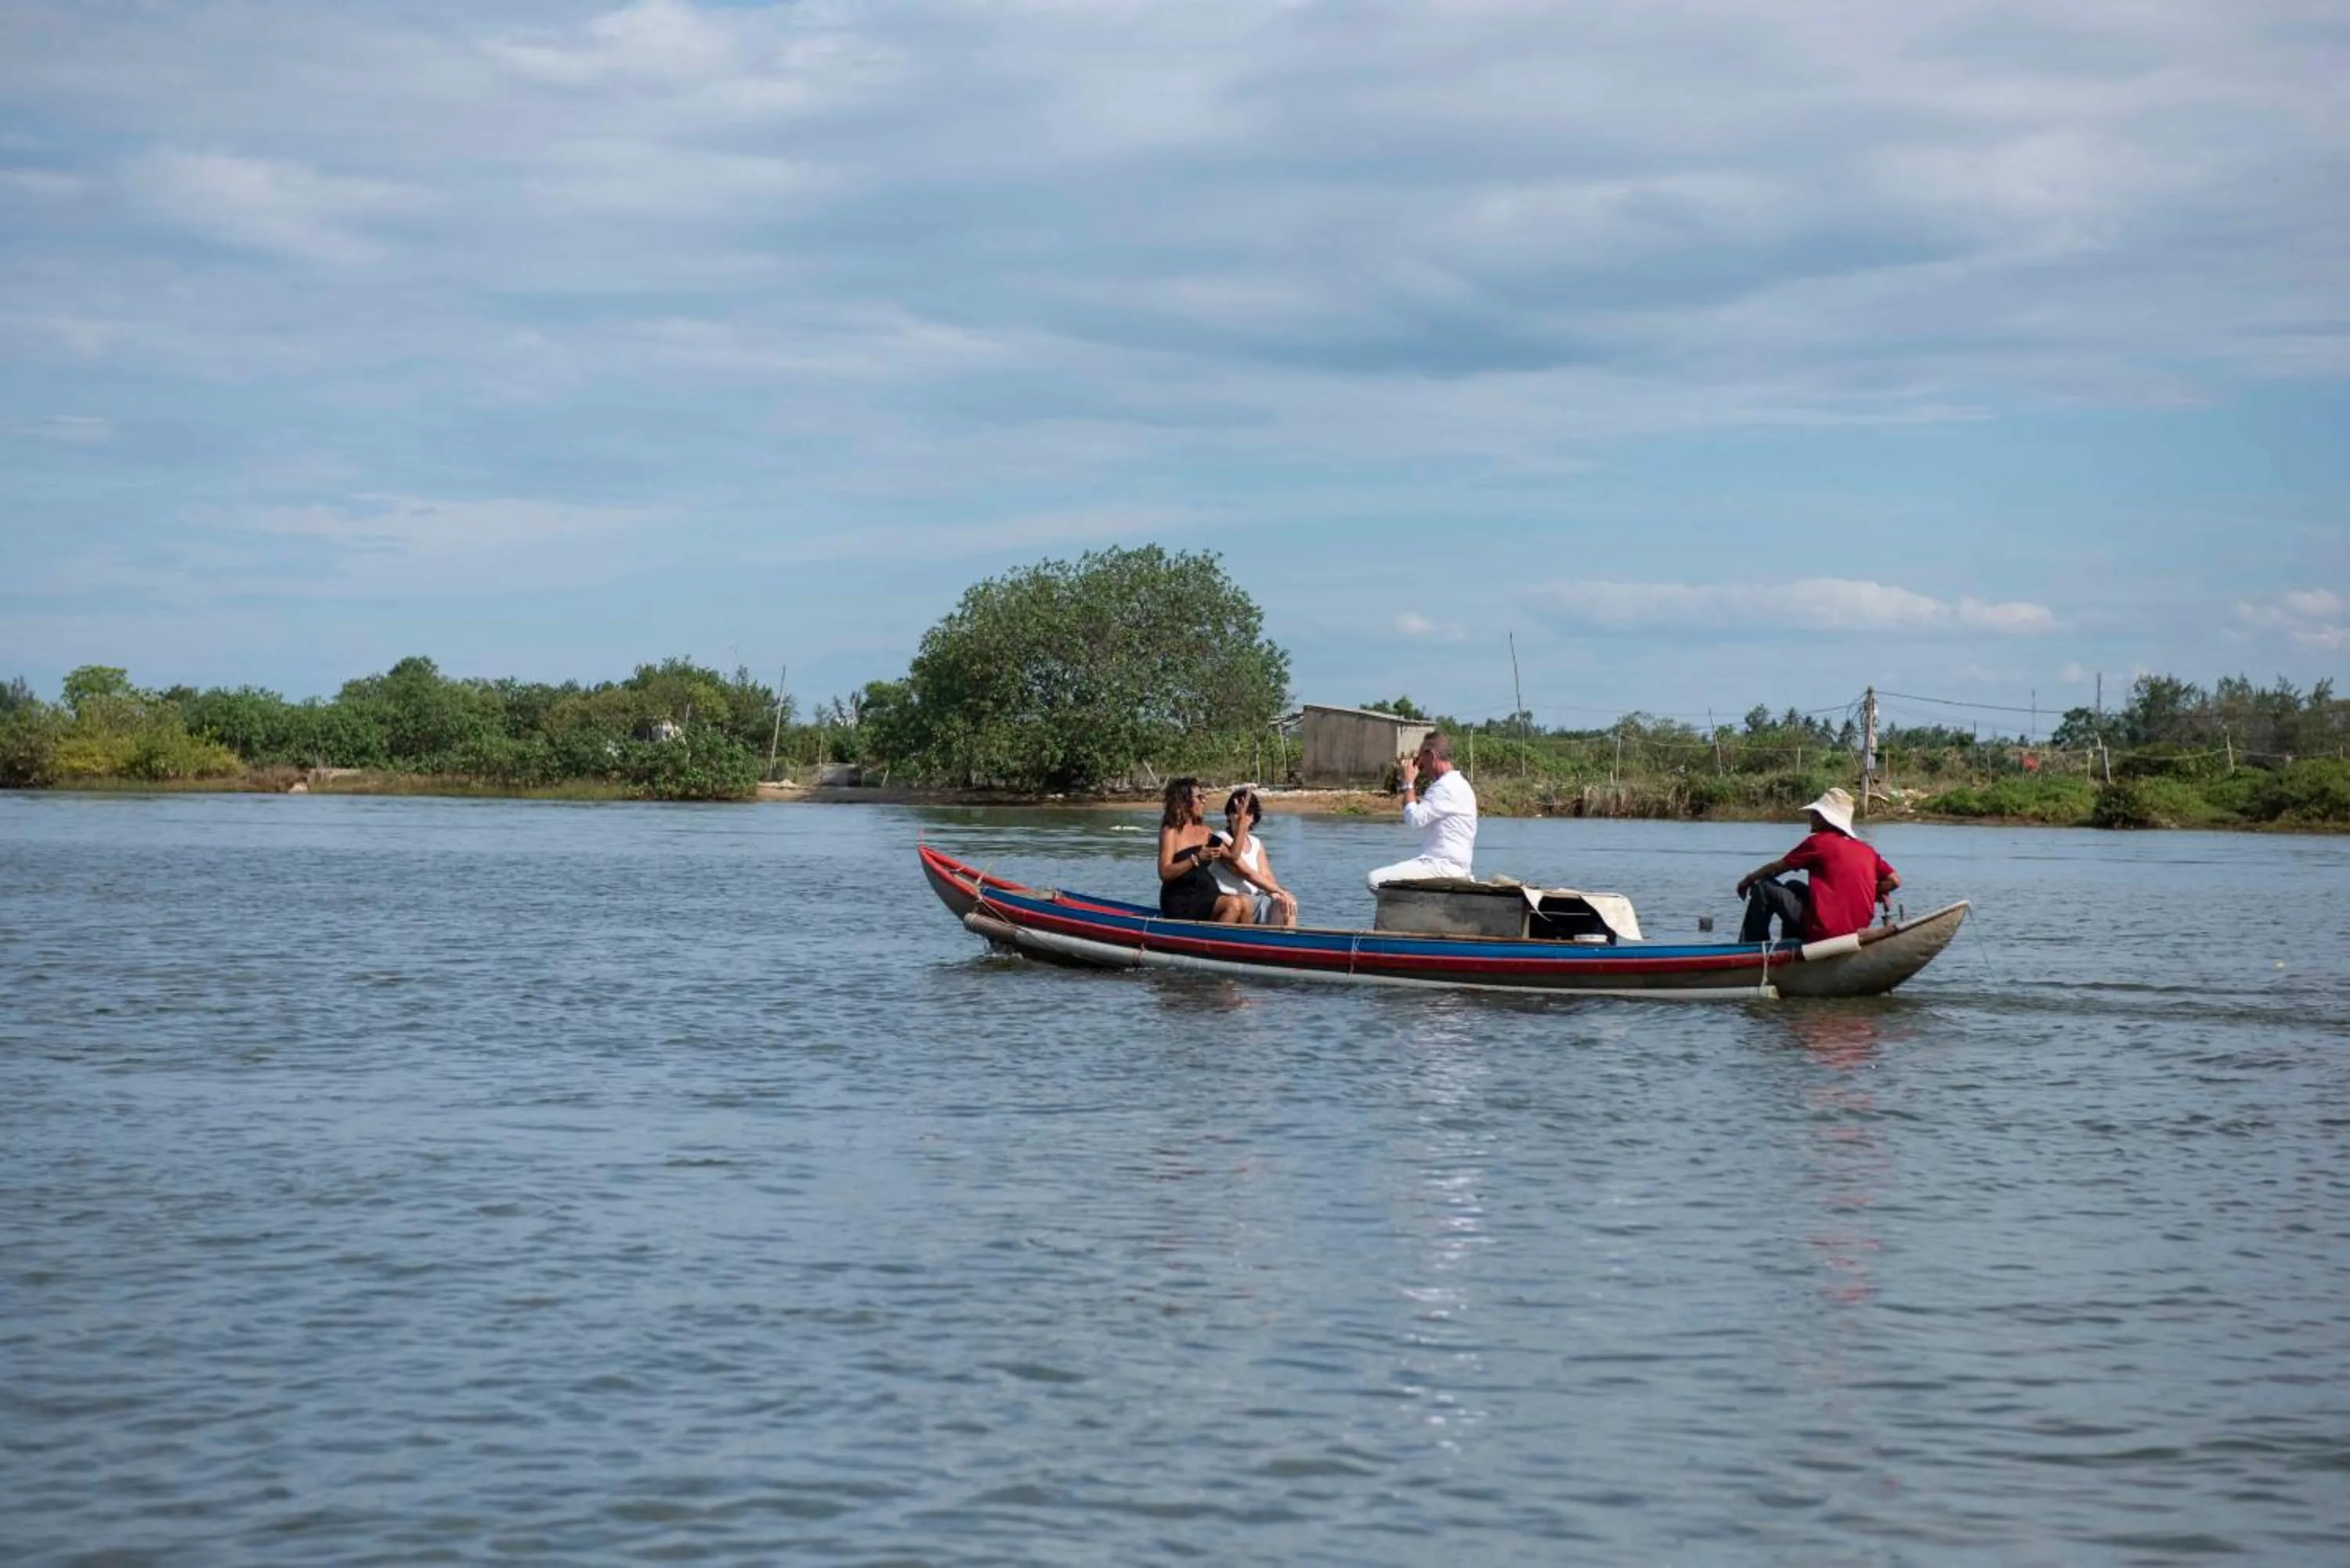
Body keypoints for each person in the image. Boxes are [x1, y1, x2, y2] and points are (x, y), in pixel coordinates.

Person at [1735, 786, 1900, 944]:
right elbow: (1894, 881)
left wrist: (1748, 881)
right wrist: (1875, 890)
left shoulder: (1818, 843)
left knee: (1764, 887)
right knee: (1794, 886)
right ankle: (1794, 944)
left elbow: (1776, 869)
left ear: (1824, 819)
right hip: (1855, 928)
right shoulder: (1866, 850)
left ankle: (1750, 948)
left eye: (1815, 813)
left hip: (1826, 930)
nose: (1811, 817)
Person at [1367, 732, 1478, 889]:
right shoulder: (1461, 785)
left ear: (1431, 756)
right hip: (1457, 867)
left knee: (1375, 881)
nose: (1421, 767)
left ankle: (1405, 911)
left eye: (1421, 759)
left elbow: (1414, 820)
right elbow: (1423, 812)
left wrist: (1408, 784)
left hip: (1440, 866)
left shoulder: (1444, 787)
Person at [1208, 786, 1299, 927]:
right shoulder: (1220, 838)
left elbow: (1266, 875)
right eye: (1237, 813)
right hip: (1230, 899)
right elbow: (1245, 872)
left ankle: (1286, 942)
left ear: (1254, 818)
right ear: (1229, 815)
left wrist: (1279, 894)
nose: (1242, 818)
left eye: (1248, 814)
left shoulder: (1256, 843)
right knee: (1246, 901)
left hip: (1255, 898)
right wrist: (1277, 890)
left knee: (1288, 902)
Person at [1155, 775, 1227, 921]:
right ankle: (1214, 942)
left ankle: (1232, 942)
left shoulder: (1205, 831)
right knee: (1234, 905)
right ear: (1184, 801)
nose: (1204, 801)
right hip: (1182, 900)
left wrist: (1242, 825)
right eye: (1199, 797)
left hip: (1206, 893)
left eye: (1204, 796)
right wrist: (1196, 858)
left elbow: (1234, 857)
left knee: (1245, 903)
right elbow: (1164, 872)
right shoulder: (1171, 830)